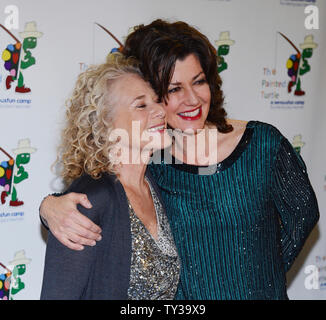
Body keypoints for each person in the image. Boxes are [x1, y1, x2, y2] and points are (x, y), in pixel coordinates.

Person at [40, 20, 319, 300]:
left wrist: (260, 279)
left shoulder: (263, 144)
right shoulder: (153, 159)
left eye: (199, 81)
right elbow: (95, 197)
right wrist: (48, 207)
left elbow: (304, 215)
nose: (192, 99)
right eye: (174, 89)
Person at [40, 53, 180, 300]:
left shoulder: (158, 183)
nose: (160, 110)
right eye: (141, 105)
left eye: (157, 100)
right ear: (106, 124)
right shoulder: (90, 199)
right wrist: (47, 208)